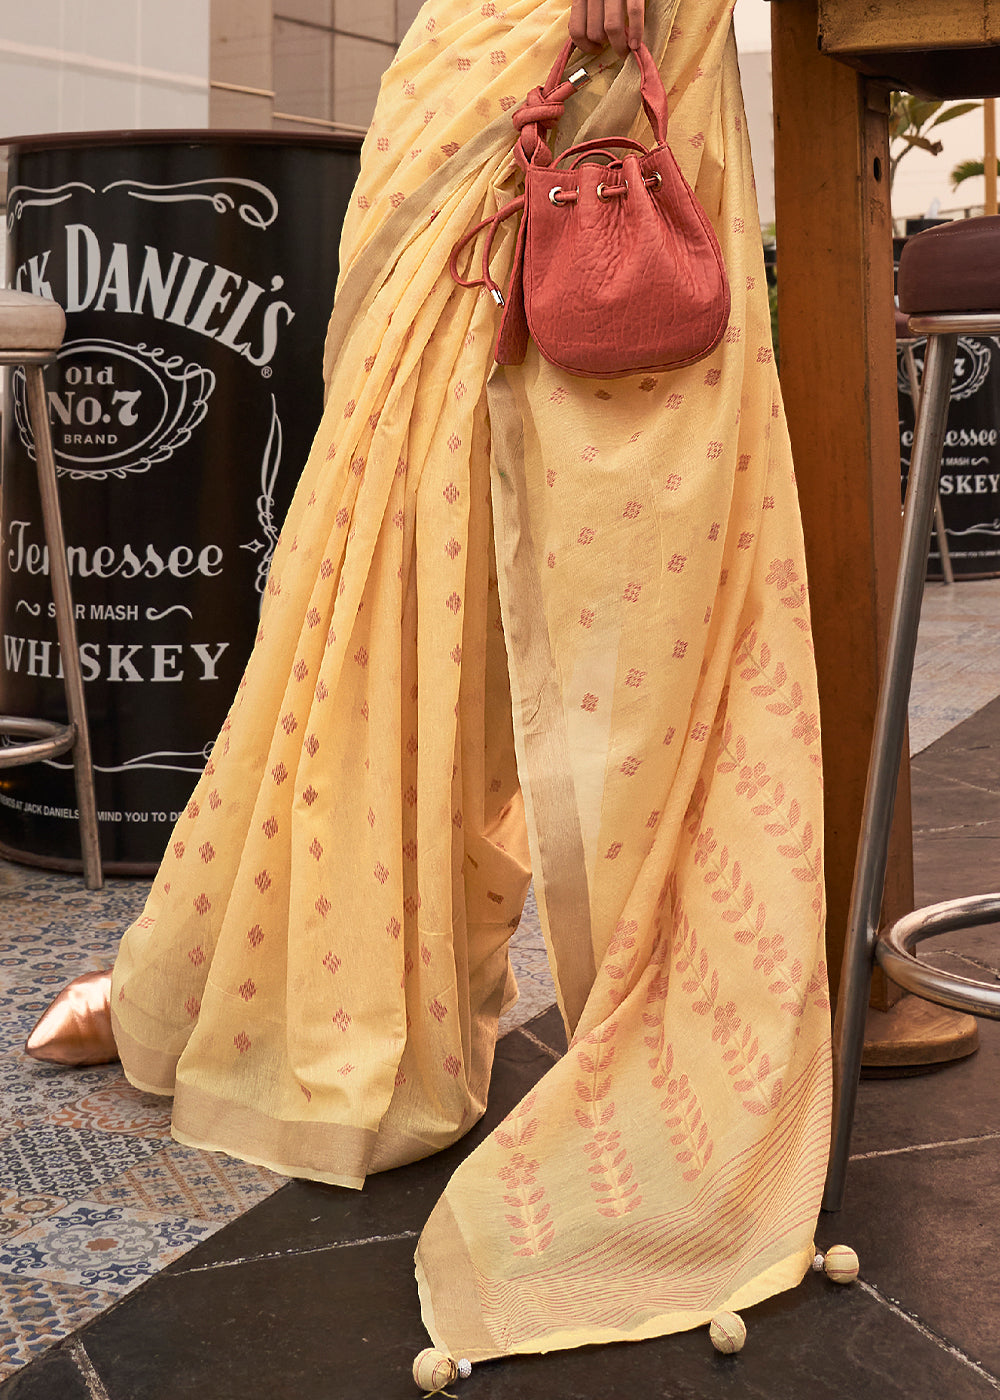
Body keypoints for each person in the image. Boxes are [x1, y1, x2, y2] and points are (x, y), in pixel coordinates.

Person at [27, 0, 832, 1363]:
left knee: (623, 504)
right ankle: (307, 971)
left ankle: (657, 990)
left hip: (618, 31)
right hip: (483, 35)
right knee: (393, 492)